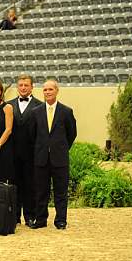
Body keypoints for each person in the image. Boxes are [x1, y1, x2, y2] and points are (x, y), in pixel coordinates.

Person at [29, 79, 77, 230]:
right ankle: (41, 219)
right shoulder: (35, 112)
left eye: (50, 89)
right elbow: (32, 135)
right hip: (41, 158)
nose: (48, 92)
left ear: (57, 91)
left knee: (60, 191)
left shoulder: (66, 111)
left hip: (59, 158)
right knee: (41, 191)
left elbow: (72, 134)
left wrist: (60, 148)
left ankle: (61, 220)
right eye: (45, 90)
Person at [6, 74, 42, 226]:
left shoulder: (40, 106)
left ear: (32, 87)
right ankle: (14, 216)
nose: (23, 88)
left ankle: (29, 215)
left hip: (31, 153)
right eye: (20, 85)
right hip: (12, 153)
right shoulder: (8, 105)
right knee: (13, 185)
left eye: (26, 85)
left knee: (30, 185)